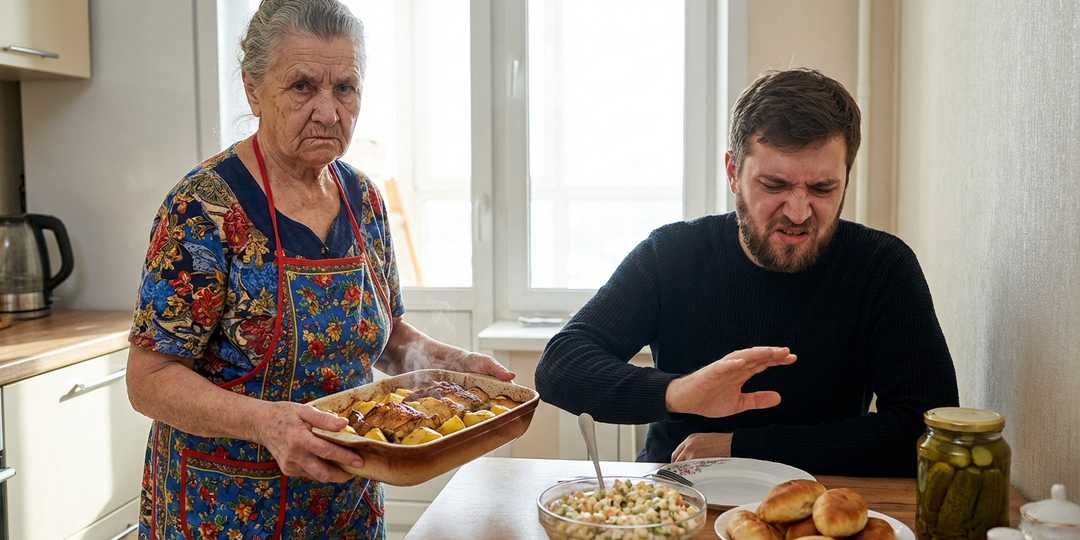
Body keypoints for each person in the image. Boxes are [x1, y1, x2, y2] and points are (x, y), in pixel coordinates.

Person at [125, 1, 512, 538]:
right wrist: (265, 423)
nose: (329, 111)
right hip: (224, 512)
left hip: (345, 509)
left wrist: (455, 365)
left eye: (346, 88)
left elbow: (386, 336)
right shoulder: (203, 209)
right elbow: (148, 381)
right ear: (253, 90)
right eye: (303, 86)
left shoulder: (365, 201)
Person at [534, 67, 959, 478]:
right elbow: (560, 365)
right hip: (676, 495)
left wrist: (742, 449)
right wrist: (680, 393)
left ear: (846, 177)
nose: (798, 212)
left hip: (814, 508)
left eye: (822, 189)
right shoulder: (673, 254)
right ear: (734, 173)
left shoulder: (882, 268)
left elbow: (925, 429)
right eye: (773, 186)